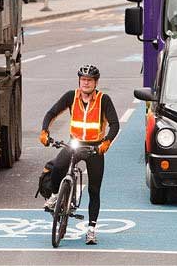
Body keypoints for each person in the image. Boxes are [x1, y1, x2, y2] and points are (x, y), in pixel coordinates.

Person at [39, 64, 120, 245]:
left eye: (89, 80)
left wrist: (106, 142)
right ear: (79, 81)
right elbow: (51, 113)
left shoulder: (103, 100)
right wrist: (44, 131)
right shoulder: (71, 96)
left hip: (94, 148)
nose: (86, 83)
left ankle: (91, 229)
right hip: (75, 143)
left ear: (95, 82)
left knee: (94, 189)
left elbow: (115, 124)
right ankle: (54, 195)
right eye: (83, 80)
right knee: (58, 166)